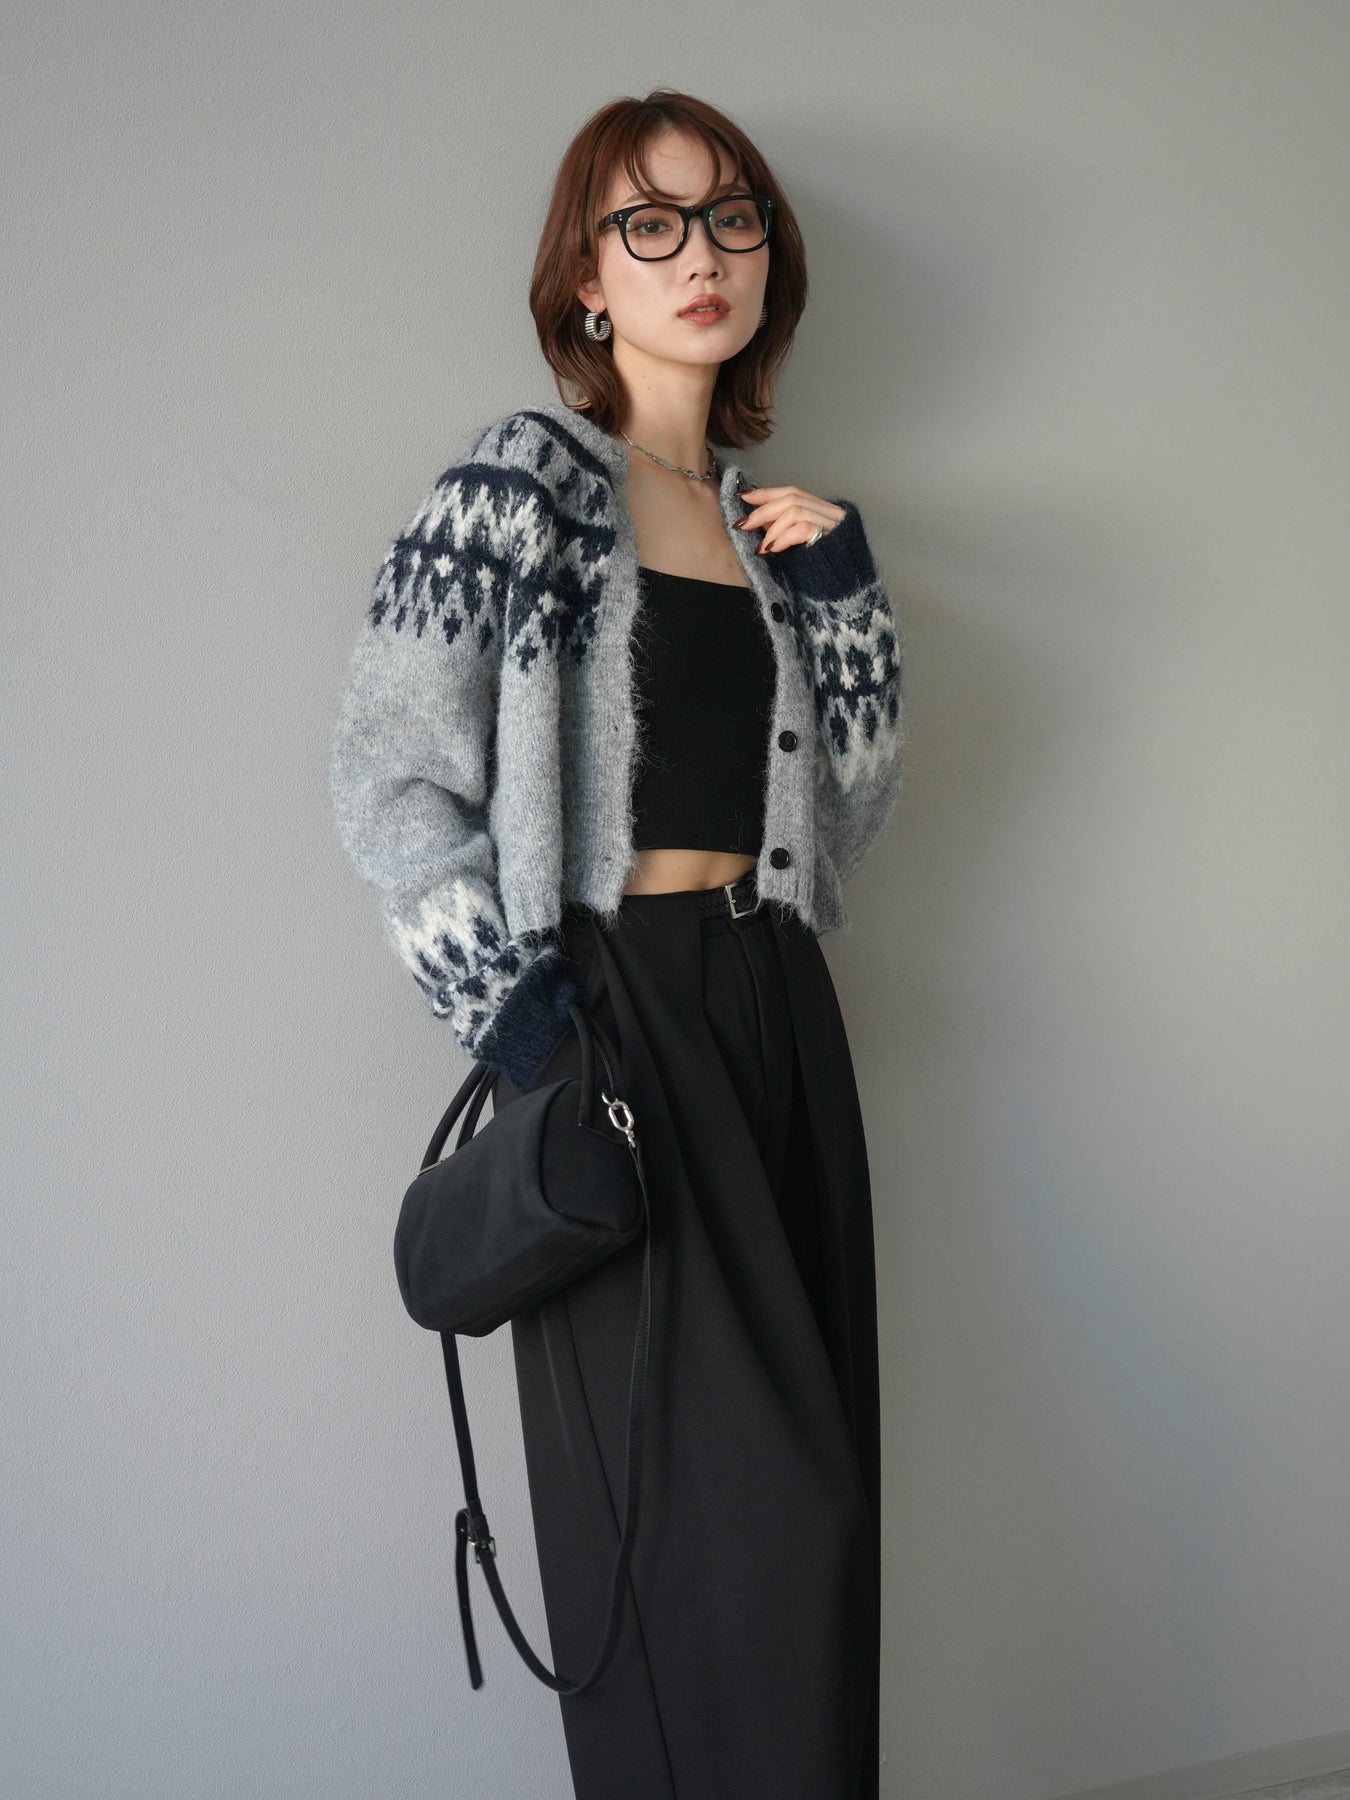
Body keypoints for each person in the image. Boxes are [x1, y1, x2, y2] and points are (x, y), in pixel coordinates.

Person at [330, 87, 905, 1800]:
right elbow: (387, 782)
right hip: (614, 1018)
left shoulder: (765, 527)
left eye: (730, 217)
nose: (696, 253)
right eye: (646, 223)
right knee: (722, 1530)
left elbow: (842, 830)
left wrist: (846, 607)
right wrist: (524, 1029)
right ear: (586, 278)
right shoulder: (515, 487)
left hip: (776, 1004)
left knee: (821, 1518)